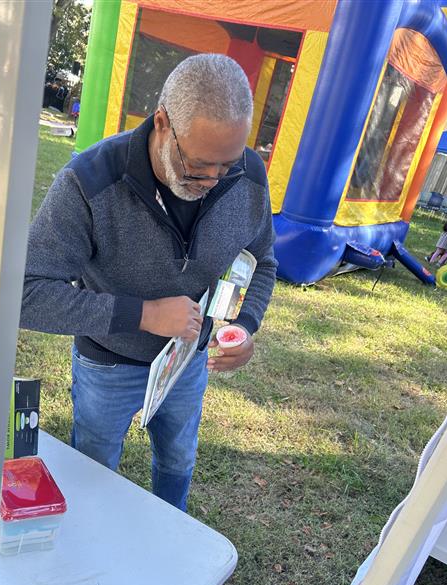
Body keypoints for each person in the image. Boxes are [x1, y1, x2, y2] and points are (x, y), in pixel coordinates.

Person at [20, 54, 277, 512]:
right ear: (162, 123)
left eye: (227, 165)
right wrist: (142, 314)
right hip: (107, 363)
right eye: (199, 165)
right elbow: (25, 293)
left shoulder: (248, 179)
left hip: (186, 362)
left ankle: (171, 532)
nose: (213, 181)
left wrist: (245, 324)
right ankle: (89, 539)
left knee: (178, 458)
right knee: (94, 469)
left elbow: (262, 261)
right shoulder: (90, 182)